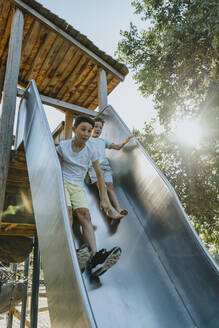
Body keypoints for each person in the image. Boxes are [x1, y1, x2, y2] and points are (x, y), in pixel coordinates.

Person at [56, 115, 121, 277]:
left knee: (85, 216)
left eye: (89, 131)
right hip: (62, 183)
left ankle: (94, 258)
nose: (86, 134)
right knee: (69, 214)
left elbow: (99, 174)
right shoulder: (63, 147)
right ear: (74, 129)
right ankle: (71, 253)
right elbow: (55, 168)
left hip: (77, 186)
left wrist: (104, 199)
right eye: (83, 129)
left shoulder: (91, 150)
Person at [88, 117, 133, 219]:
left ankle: (119, 209)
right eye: (96, 126)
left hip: (105, 167)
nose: (98, 129)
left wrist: (124, 141)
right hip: (93, 168)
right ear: (90, 127)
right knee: (102, 187)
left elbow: (117, 147)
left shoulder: (103, 141)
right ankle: (110, 211)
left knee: (110, 187)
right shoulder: (86, 140)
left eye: (100, 127)